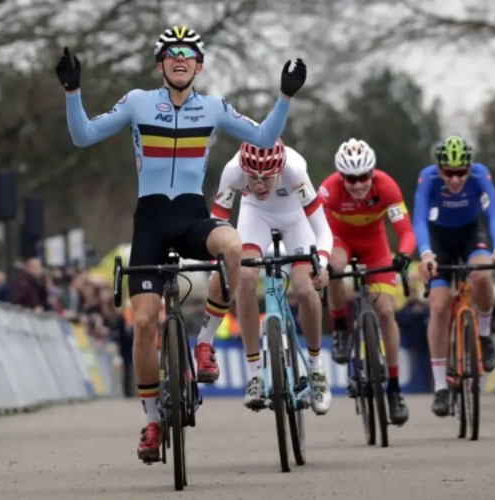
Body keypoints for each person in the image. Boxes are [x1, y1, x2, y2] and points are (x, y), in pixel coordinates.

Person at [55, 26, 306, 464]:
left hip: (192, 215)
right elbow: (83, 136)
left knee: (234, 246)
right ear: (160, 63)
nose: (180, 58)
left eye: (188, 53)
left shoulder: (212, 108)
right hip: (150, 222)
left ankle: (204, 343)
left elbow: (264, 138)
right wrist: (73, 90)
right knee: (146, 324)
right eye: (171, 53)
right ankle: (152, 420)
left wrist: (284, 98)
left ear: (199, 66)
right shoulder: (137, 102)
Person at [197, 139, 333, 415]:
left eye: (266, 178)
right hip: (255, 216)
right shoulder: (233, 169)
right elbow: (218, 221)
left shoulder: (295, 169)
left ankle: (316, 370)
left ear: (279, 168)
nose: (258, 184)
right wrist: (218, 266)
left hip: (296, 219)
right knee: (244, 278)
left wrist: (322, 263)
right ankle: (255, 374)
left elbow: (323, 230)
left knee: (305, 289)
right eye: (253, 177)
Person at [318, 138, 416, 427]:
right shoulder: (328, 189)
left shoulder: (386, 186)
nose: (358, 184)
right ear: (340, 176)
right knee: (334, 266)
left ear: (372, 173)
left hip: (375, 247)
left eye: (363, 177)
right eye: (351, 178)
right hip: (339, 240)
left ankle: (395, 389)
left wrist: (404, 255)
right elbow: (316, 228)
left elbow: (406, 231)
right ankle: (339, 327)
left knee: (385, 312)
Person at [412, 135, 495, 418]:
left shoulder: (480, 174)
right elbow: (418, 218)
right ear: (439, 168)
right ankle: (441, 387)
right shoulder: (428, 178)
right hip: (438, 239)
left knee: (481, 276)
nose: (455, 179)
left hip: (470, 234)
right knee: (440, 306)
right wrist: (427, 253)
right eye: (449, 173)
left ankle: (484, 334)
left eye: (460, 172)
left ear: (469, 167)